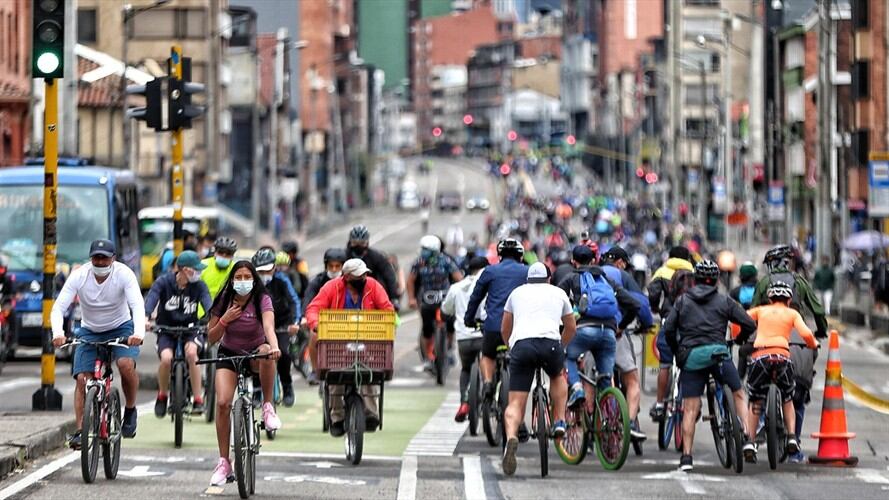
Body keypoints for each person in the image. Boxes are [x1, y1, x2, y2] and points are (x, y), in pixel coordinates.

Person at [662, 260, 756, 472]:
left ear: (695, 279)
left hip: (692, 357)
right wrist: (740, 339)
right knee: (739, 393)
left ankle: (686, 458)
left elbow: (668, 329)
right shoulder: (725, 301)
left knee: (690, 408)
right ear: (716, 280)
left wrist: (678, 349)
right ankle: (748, 438)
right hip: (718, 354)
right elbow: (749, 323)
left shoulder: (683, 301)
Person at [51, 240, 145, 449]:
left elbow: (137, 305)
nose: (100, 262)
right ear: (90, 258)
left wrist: (138, 333)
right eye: (96, 257)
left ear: (113, 259)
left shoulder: (124, 274)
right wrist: (58, 333)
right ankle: (79, 431)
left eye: (105, 258)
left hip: (121, 328)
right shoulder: (79, 276)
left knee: (125, 365)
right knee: (82, 379)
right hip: (89, 331)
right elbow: (58, 308)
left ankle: (130, 409)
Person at [206, 260, 282, 486]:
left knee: (267, 352)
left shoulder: (262, 299)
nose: (242, 282)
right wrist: (224, 320)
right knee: (222, 404)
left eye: (246, 277)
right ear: (231, 281)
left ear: (253, 279)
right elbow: (211, 337)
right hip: (228, 354)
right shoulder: (223, 300)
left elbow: (269, 327)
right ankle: (223, 462)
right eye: (237, 277)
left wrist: (275, 346)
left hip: (255, 353)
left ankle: (268, 407)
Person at [752, 244, 828, 463]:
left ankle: (759, 427)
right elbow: (818, 311)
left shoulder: (764, 283)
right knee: (799, 392)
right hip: (797, 341)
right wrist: (820, 331)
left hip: (767, 342)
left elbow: (751, 312)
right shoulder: (801, 282)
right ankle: (795, 448)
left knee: (758, 385)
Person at [500, 262, 576, 476]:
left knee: (515, 402)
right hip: (550, 344)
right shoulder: (559, 293)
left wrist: (511, 346)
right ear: (548, 278)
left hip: (522, 345)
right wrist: (561, 346)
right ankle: (560, 420)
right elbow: (571, 327)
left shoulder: (516, 293)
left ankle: (512, 436)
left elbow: (505, 327)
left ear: (527, 280)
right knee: (558, 377)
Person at [304, 259, 393, 436]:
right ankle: (336, 416)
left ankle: (371, 414)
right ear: (347, 277)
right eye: (359, 275)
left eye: (364, 274)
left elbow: (387, 308)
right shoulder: (332, 287)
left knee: (370, 373)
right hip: (337, 341)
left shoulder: (373, 286)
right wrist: (315, 323)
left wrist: (387, 321)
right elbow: (313, 308)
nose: (363, 277)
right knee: (335, 375)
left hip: (368, 340)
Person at [742, 281, 819, 463]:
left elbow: (741, 320)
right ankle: (792, 436)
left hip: (761, 356)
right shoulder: (792, 314)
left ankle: (750, 442)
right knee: (787, 397)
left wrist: (739, 336)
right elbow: (806, 334)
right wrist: (813, 344)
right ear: (789, 299)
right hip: (783, 357)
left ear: (769, 299)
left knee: (756, 399)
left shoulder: (760, 311)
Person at [558, 245, 640, 408]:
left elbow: (554, 301)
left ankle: (576, 388)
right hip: (609, 332)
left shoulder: (571, 278)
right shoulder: (606, 280)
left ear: (573, 261)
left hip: (584, 330)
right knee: (605, 381)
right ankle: (613, 422)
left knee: (567, 356)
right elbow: (634, 305)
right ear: (594, 260)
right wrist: (621, 327)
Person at [145, 250, 212, 417]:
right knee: (166, 359)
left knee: (191, 354)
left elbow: (208, 303)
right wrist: (146, 317)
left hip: (191, 329)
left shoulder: (199, 286)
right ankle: (162, 395)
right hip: (166, 329)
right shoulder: (164, 282)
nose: (198, 273)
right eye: (195, 269)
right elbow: (152, 298)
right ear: (184, 270)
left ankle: (198, 399)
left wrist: (212, 321)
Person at [464, 238, 527, 401]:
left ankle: (487, 382)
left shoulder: (490, 271)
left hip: (493, 327)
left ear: (500, 255)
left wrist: (469, 319)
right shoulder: (527, 271)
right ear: (520, 255)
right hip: (518, 329)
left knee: (487, 354)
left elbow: (475, 298)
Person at [600, 245, 653, 440]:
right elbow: (641, 304)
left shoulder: (591, 272)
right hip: (615, 332)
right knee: (632, 381)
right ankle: (629, 422)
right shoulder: (621, 275)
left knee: (591, 379)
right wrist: (645, 325)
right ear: (621, 262)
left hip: (586, 331)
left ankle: (587, 426)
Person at [647, 246, 695, 421]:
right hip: (690, 324)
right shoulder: (693, 272)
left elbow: (653, 293)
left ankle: (660, 404)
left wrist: (655, 308)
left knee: (665, 365)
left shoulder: (662, 271)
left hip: (669, 320)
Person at [441, 256, 489, 422]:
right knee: (490, 367)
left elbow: (446, 309)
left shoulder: (456, 287)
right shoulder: (489, 285)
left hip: (463, 338)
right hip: (484, 335)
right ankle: (488, 395)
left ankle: (464, 403)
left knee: (466, 369)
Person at [407, 235, 463, 372]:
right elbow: (411, 281)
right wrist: (411, 299)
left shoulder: (446, 261)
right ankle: (428, 357)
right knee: (427, 329)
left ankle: (449, 348)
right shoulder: (418, 262)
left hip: (444, 299)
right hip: (427, 300)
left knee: (450, 325)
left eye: (425, 249)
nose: (423, 251)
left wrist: (459, 295)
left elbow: (458, 278)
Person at [252, 248, 300, 407]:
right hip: (258, 327)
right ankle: (257, 388)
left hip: (282, 325)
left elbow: (294, 301)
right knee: (254, 355)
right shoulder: (250, 283)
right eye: (260, 271)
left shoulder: (282, 281)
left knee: (284, 353)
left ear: (274, 268)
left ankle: (287, 385)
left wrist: (295, 322)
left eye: (268, 270)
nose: (264, 274)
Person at [346, 225, 400, 303]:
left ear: (367, 243)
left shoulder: (376, 257)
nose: (358, 246)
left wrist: (394, 298)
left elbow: (389, 276)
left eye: (361, 243)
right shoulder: (343, 257)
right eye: (355, 243)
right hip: (347, 294)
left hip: (371, 295)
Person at [730, 261, 759, 379]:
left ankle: (739, 379)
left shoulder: (736, 292)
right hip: (761, 329)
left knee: (742, 351)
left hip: (742, 329)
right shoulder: (760, 289)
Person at [201, 236, 238, 301]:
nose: (224, 256)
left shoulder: (236, 269)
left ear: (233, 255)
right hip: (201, 309)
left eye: (228, 253)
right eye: (220, 252)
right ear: (215, 252)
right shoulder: (203, 265)